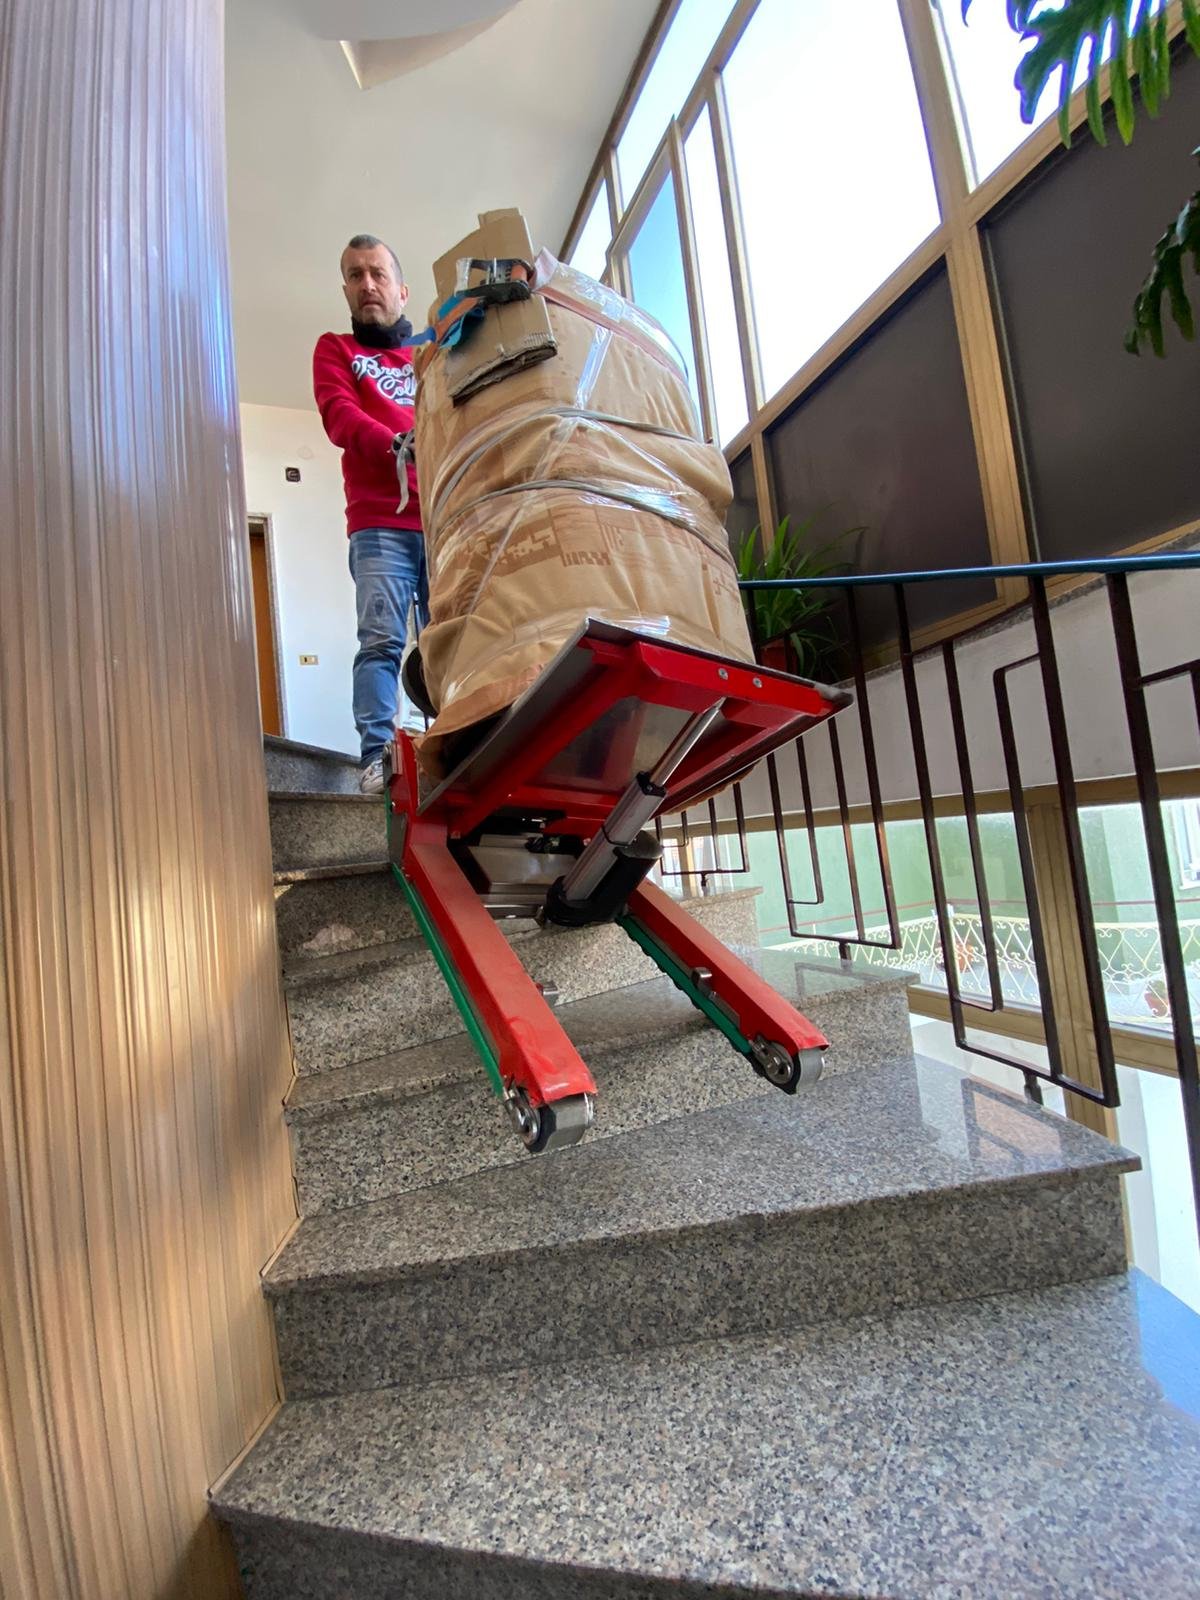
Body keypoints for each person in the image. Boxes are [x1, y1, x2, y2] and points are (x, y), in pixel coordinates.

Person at [313, 233, 426, 794]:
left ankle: (458, 744)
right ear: (346, 290)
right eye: (356, 275)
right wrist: (398, 441)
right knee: (382, 641)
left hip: (447, 521)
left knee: (451, 638)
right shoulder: (337, 349)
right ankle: (379, 757)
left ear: (401, 289)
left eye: (378, 274)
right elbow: (339, 416)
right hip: (380, 523)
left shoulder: (432, 355)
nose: (368, 284)